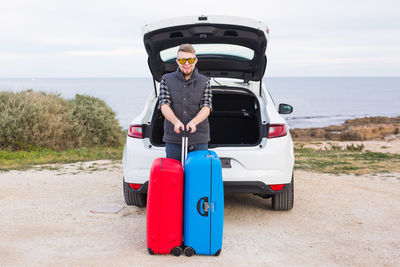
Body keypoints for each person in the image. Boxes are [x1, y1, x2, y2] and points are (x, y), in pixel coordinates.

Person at [158, 43, 212, 162]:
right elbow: (164, 104)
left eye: (190, 59)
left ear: (196, 60)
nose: (186, 63)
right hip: (174, 138)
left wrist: (194, 122)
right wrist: (175, 122)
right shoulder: (166, 79)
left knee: (197, 176)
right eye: (182, 60)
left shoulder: (205, 81)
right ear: (177, 61)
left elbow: (207, 106)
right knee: (174, 177)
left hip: (199, 139)